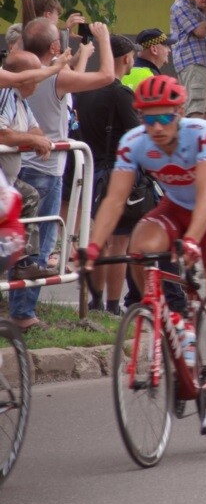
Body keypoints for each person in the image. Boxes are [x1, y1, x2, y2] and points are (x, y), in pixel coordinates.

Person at [82, 75, 206, 432]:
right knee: (139, 246)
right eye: (147, 118)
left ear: (179, 112)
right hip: (173, 209)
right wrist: (93, 246)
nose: (155, 126)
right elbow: (115, 199)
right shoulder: (134, 142)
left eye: (164, 117)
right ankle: (171, 317)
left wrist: (194, 240)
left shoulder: (200, 133)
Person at [9, 18, 113, 332]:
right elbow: (107, 75)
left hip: (20, 164)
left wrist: (77, 57)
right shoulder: (55, 78)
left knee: (22, 242)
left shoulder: (27, 73)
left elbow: (66, 88)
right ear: (54, 46)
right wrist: (103, 40)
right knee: (41, 245)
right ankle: (24, 314)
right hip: (45, 169)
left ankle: (21, 309)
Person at [74, 35, 144, 314]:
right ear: (127, 59)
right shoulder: (120, 93)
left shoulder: (84, 90)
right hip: (116, 174)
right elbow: (137, 134)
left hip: (89, 172)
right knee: (119, 243)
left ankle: (95, 301)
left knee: (97, 240)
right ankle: (114, 306)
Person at [0, 51, 62, 281]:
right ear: (22, 77)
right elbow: (2, 133)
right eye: (35, 75)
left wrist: (33, 138)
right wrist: (31, 140)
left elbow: (36, 130)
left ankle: (22, 262)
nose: (39, 81)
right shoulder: (5, 93)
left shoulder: (21, 100)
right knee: (25, 198)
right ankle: (21, 262)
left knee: (29, 196)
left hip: (8, 179)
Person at [169, 0, 206, 121]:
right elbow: (200, 31)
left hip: (194, 64)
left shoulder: (190, 6)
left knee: (194, 106)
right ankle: (195, 142)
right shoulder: (180, 6)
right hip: (192, 63)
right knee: (195, 109)